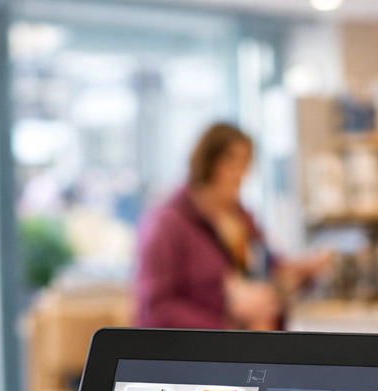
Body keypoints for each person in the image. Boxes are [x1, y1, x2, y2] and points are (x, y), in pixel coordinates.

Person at [134, 123, 327, 330]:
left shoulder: (240, 217)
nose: (241, 174)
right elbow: (156, 308)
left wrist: (300, 270)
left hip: (250, 343)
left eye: (245, 164)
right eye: (232, 163)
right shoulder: (165, 224)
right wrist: (225, 326)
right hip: (200, 351)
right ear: (207, 162)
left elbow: (266, 266)